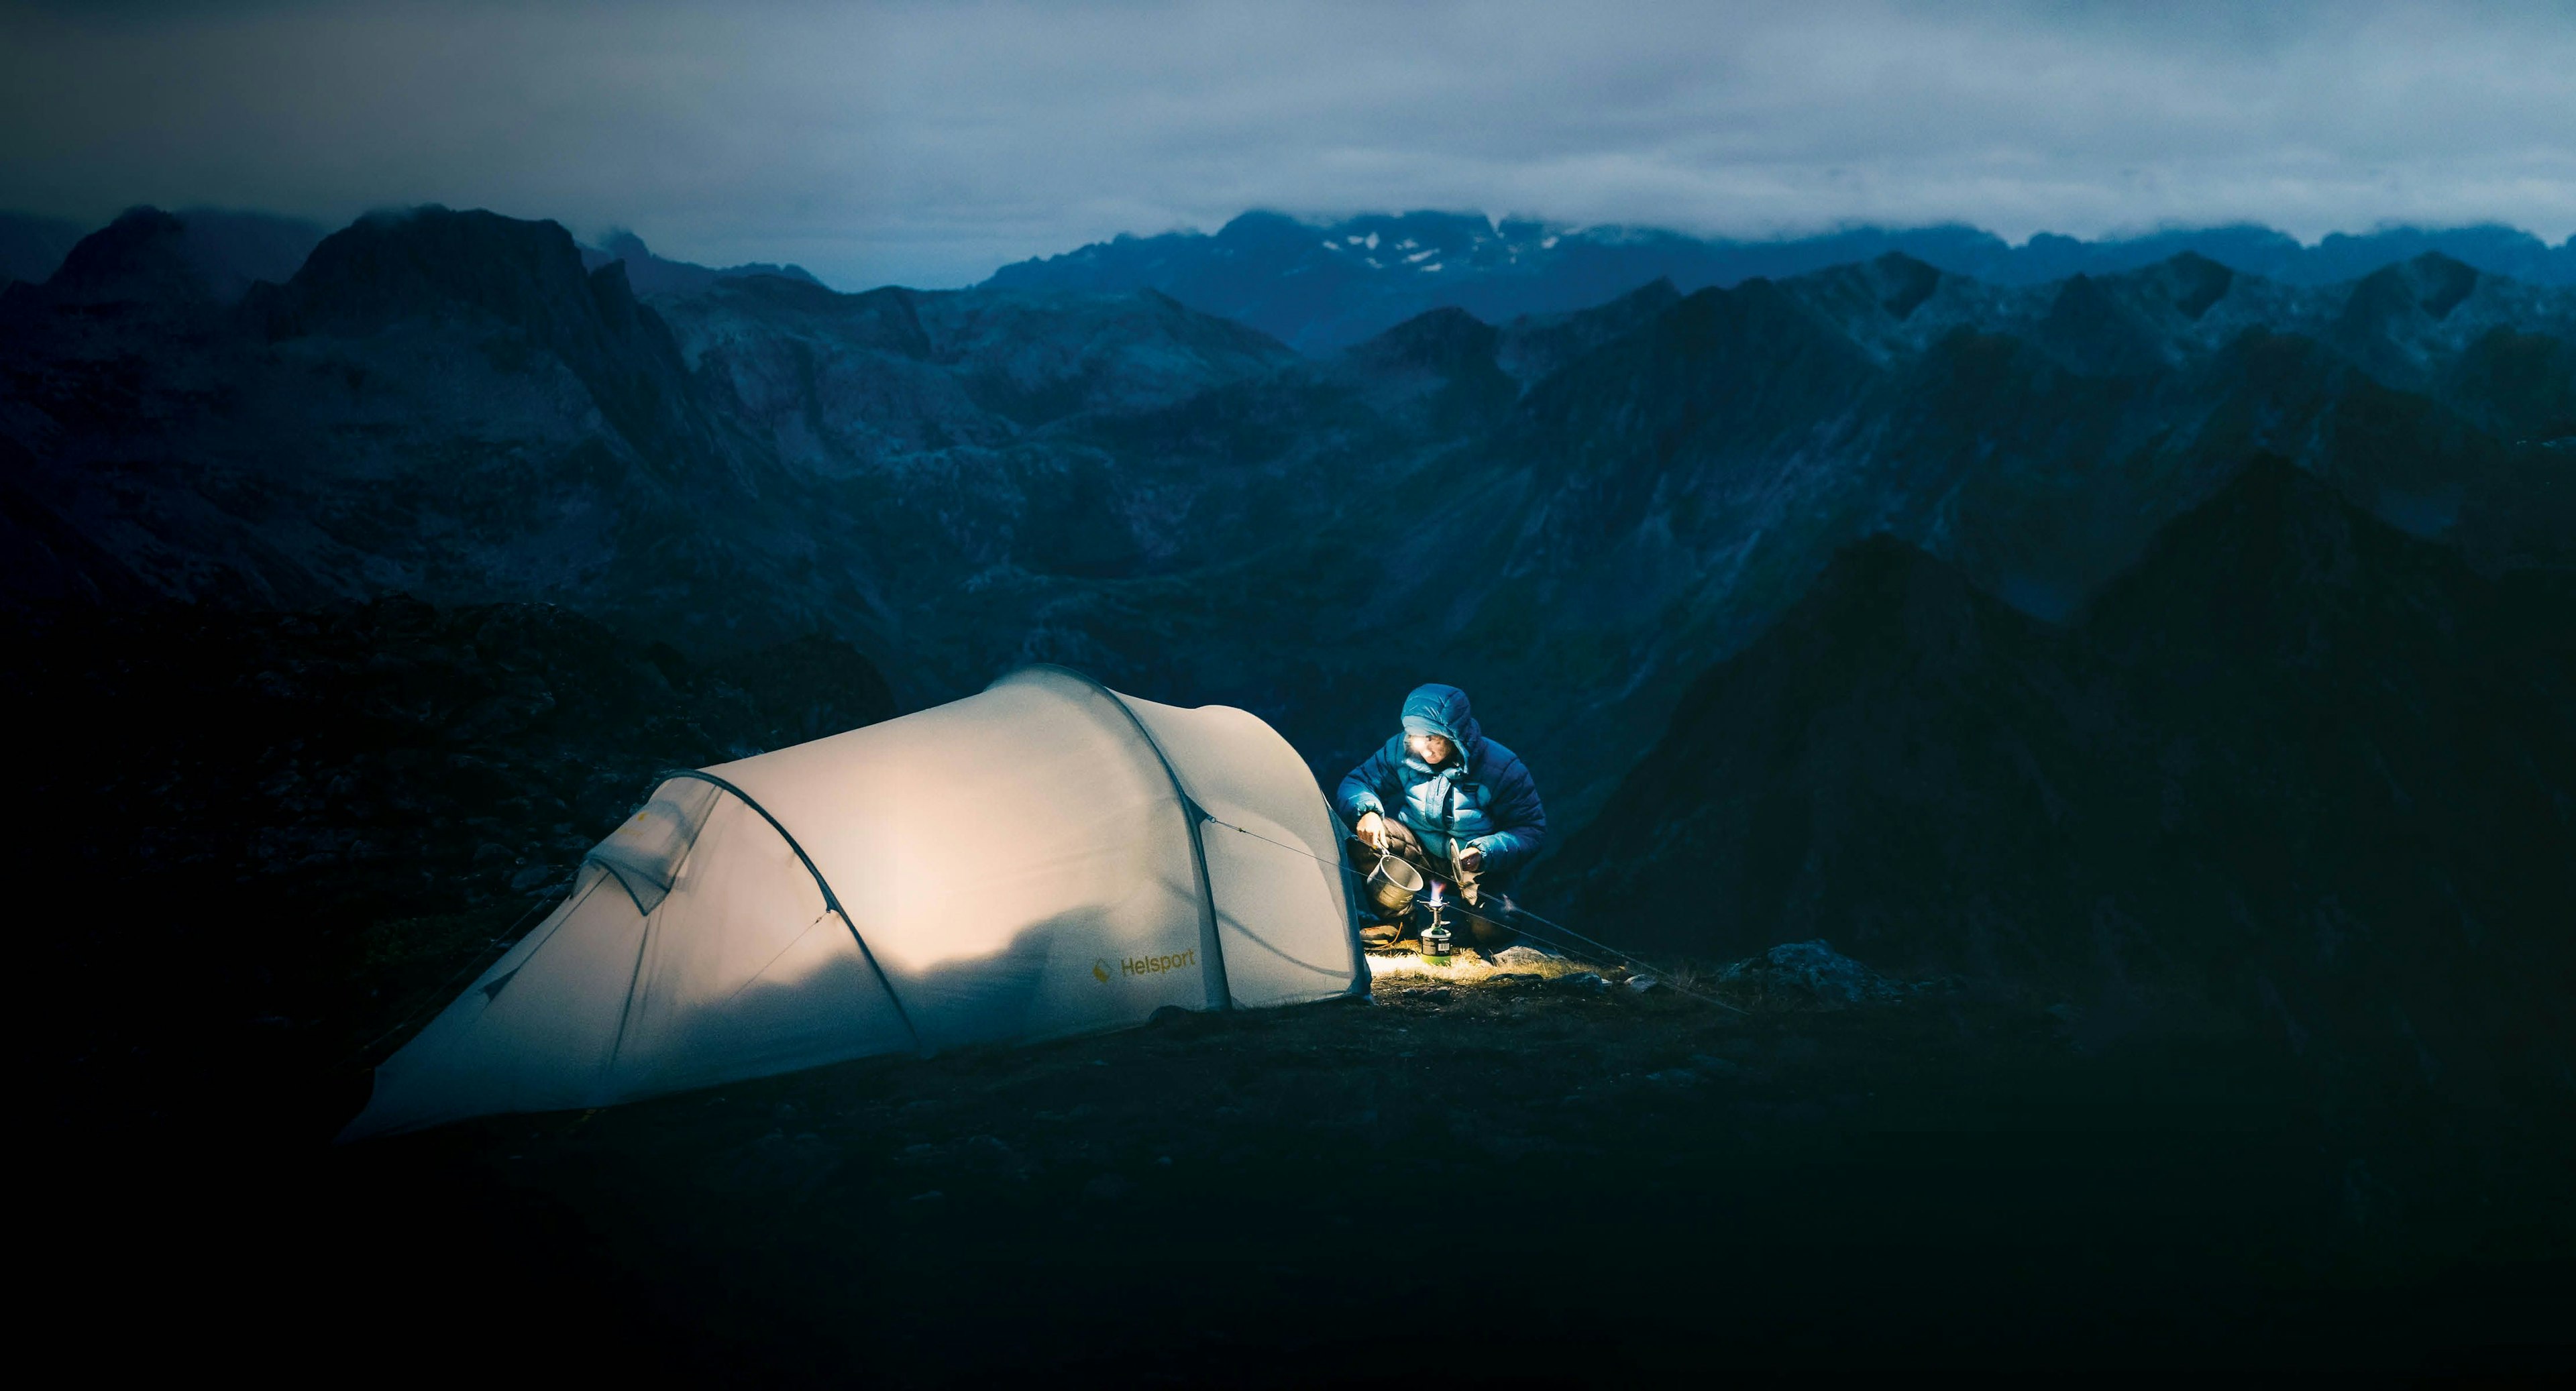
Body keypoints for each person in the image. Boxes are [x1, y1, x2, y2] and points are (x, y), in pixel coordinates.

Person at [1337, 683, 1546, 903]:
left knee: (1495, 920)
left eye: (1434, 739)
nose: (1425, 750)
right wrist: (1366, 812)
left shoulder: (1501, 768)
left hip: (1478, 868)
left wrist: (1485, 852)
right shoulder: (1400, 751)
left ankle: (1483, 920)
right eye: (1417, 738)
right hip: (1418, 851)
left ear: (1455, 735)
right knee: (1368, 841)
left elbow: (1530, 829)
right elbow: (1359, 781)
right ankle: (1398, 919)